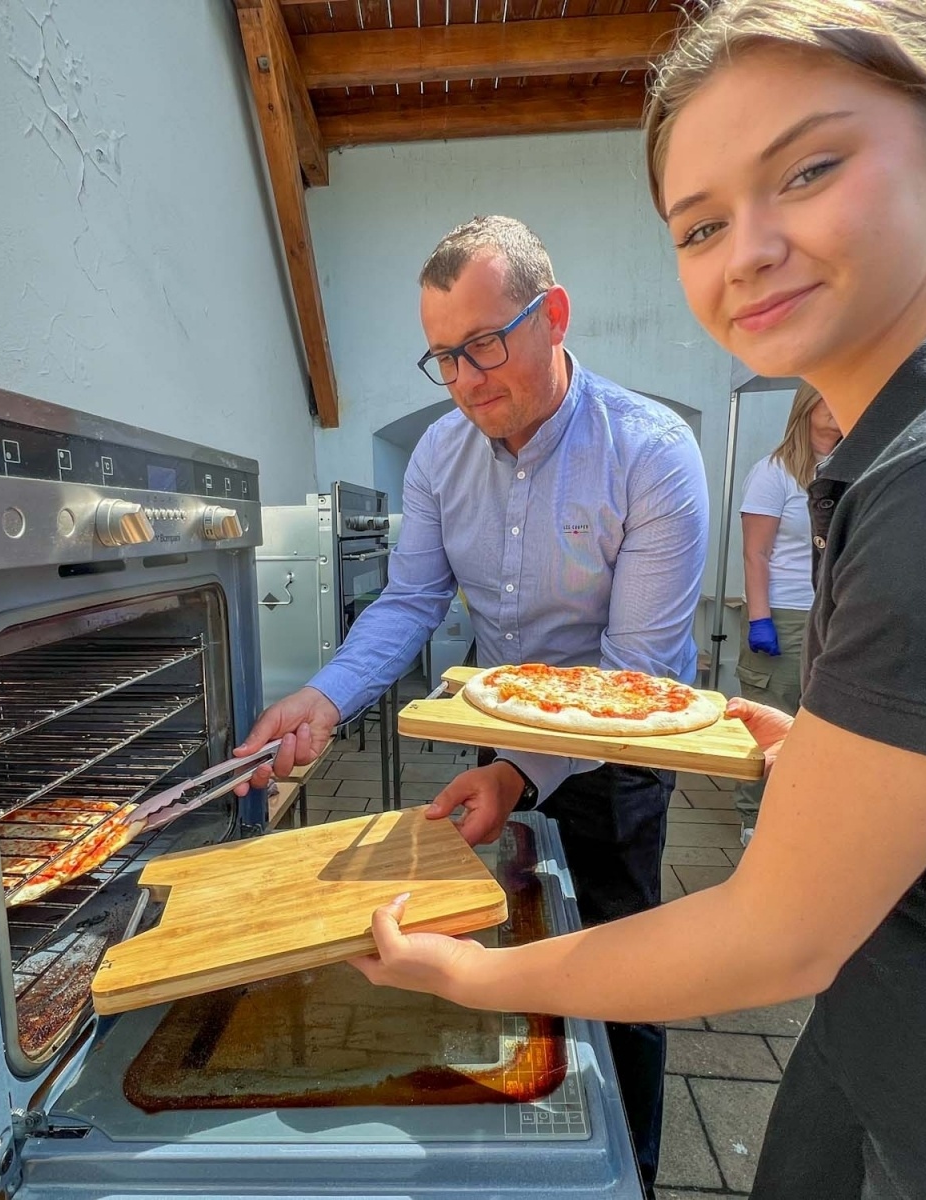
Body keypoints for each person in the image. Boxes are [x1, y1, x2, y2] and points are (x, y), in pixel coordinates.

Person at [347, 3, 926, 1197]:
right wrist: (835, 754)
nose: (745, 251)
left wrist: (468, 974)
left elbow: (776, 934)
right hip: (903, 1026)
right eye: (699, 224)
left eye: (808, 169)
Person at [235, 214, 709, 1184]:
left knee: (622, 969)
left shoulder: (650, 452)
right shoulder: (440, 457)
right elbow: (410, 600)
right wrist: (323, 699)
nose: (464, 379)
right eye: (444, 356)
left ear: (554, 316)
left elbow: (637, 672)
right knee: (506, 940)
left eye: (485, 343)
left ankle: (632, 1172)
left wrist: (517, 771)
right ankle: (525, 1145)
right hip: (499, 746)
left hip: (621, 761)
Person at [734, 383, 840, 841]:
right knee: (770, 717)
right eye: (826, 397)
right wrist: (760, 619)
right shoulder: (774, 473)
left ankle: (805, 817)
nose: (836, 408)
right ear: (806, 406)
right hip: (784, 612)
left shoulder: (852, 471)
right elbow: (755, 553)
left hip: (835, 614)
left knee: (819, 722)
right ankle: (753, 822)